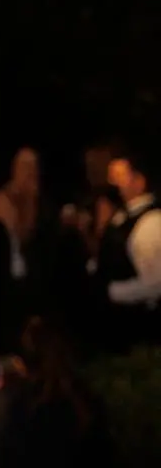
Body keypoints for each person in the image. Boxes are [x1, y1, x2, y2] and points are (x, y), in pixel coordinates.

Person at [99, 144, 161, 346]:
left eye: (119, 176)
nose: (113, 184)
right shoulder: (120, 217)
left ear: (139, 181)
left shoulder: (150, 221)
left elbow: (155, 284)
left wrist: (111, 291)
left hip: (139, 330)